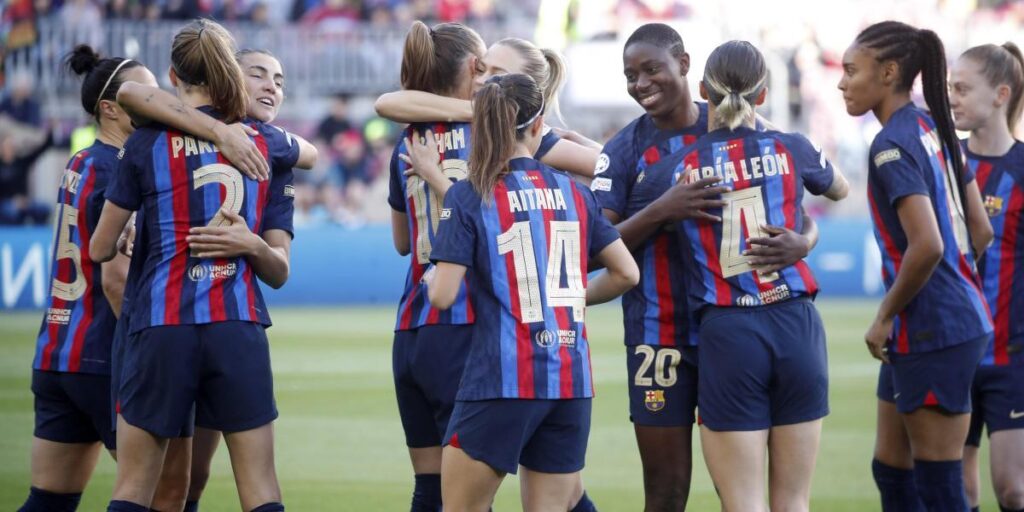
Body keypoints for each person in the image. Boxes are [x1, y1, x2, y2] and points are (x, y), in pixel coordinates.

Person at [593, 23, 820, 511]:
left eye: (652, 68)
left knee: (738, 491)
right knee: (668, 489)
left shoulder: (735, 125)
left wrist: (804, 243)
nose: (640, 83)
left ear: (686, 65)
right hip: (661, 336)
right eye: (630, 75)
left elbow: (797, 214)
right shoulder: (623, 152)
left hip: (736, 327)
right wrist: (660, 210)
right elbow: (596, 248)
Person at [89, 19, 300, 512]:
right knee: (261, 489)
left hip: (162, 326)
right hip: (237, 326)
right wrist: (249, 245)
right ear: (230, 72)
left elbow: (99, 251)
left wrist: (124, 230)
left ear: (171, 75)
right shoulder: (266, 144)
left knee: (134, 489)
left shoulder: (144, 144)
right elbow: (279, 272)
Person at [424, 72, 638, 512]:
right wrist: (576, 296)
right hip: (569, 378)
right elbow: (626, 273)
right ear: (539, 126)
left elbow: (443, 295)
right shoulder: (574, 193)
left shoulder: (469, 194)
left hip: (502, 381)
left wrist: (432, 278)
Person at [838, 20, 994, 511]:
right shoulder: (931, 125)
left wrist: (883, 315)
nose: (841, 82)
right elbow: (980, 230)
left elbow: (926, 245)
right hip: (942, 321)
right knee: (891, 466)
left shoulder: (891, 146)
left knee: (938, 482)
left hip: (934, 329)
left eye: (851, 70)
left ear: (888, 73)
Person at [17, 45, 158, 512]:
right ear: (111, 109)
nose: (158, 104)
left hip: (57, 353)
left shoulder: (81, 161)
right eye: (146, 95)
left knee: (49, 502)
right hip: (103, 357)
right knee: (158, 493)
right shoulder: (119, 168)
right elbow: (115, 278)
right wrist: (144, 353)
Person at [949, 42, 1024, 512]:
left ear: (1000, 94)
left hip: (1011, 354)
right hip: (952, 351)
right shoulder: (943, 160)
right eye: (948, 87)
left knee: (1014, 489)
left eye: (961, 88)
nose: (950, 97)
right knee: (955, 488)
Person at [375, 36, 602, 178]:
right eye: (482, 70)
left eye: (498, 74)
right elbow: (386, 104)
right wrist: (481, 111)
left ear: (526, 85)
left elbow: (609, 169)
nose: (482, 80)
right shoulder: (472, 114)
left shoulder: (525, 134)